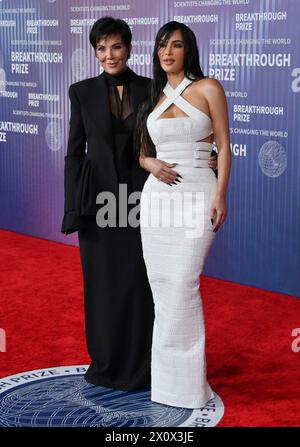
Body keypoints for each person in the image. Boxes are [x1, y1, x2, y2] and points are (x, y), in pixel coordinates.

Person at [61, 17, 218, 392]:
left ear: (129, 48)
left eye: (116, 46)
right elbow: (73, 154)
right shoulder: (80, 91)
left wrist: (205, 156)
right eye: (101, 48)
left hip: (146, 200)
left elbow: (178, 131)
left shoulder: (153, 88)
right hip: (98, 203)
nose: (109, 55)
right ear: (95, 52)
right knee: (102, 285)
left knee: (142, 284)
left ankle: (145, 365)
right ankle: (107, 362)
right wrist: (72, 209)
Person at [137, 21, 231, 407]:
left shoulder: (208, 87)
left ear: (188, 50)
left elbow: (224, 147)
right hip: (158, 198)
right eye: (162, 45)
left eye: (176, 45)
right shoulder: (153, 96)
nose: (167, 51)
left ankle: (189, 388)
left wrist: (221, 196)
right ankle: (168, 387)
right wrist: (150, 164)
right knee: (161, 286)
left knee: (182, 283)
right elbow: (141, 151)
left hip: (197, 192)